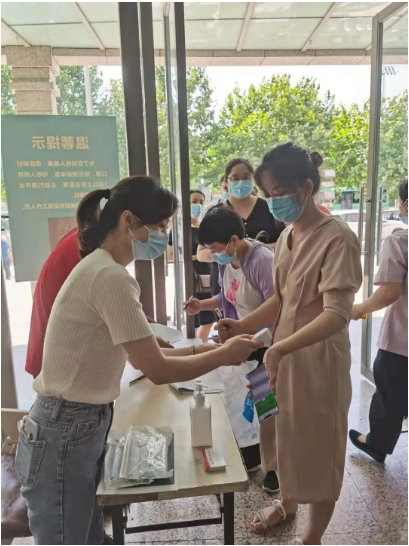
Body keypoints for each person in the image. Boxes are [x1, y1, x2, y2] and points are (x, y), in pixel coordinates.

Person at [15, 175, 261, 546]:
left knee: (85, 536)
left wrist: (208, 350)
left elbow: (150, 353)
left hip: (75, 423)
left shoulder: (101, 266)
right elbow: (157, 369)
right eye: (160, 226)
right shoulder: (109, 275)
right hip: (65, 427)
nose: (163, 235)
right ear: (128, 219)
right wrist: (224, 355)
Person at [216, 143, 362, 544]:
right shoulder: (288, 236)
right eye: (269, 193)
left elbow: (337, 314)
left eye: (279, 192)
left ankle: (311, 537)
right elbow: (280, 299)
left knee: (318, 448)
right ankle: (288, 502)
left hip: (317, 363)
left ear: (306, 188)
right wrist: (242, 325)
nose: (273, 201)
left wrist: (279, 348)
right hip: (280, 359)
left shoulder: (337, 238)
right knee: (285, 437)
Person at [184, 207, 276, 481]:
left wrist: (242, 327)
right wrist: (202, 304)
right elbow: (228, 297)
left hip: (267, 344)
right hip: (244, 342)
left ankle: (273, 468)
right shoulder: (228, 261)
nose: (214, 255)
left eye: (215, 249)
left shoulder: (261, 261)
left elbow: (278, 303)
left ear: (233, 240)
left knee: (267, 406)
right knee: (244, 402)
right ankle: (252, 451)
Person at [349, 179, 408, 463]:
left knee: (389, 390)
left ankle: (377, 442)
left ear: (405, 205)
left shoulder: (399, 241)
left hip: (402, 340)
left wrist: (359, 308)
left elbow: (389, 292)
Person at [168, 189, 214, 343]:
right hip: (190, 277)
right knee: (194, 319)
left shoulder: (206, 229)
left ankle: (199, 347)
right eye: (194, 201)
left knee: (209, 318)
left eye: (201, 202)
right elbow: (170, 255)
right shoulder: (178, 230)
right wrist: (198, 256)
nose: (198, 205)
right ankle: (197, 348)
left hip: (208, 275)